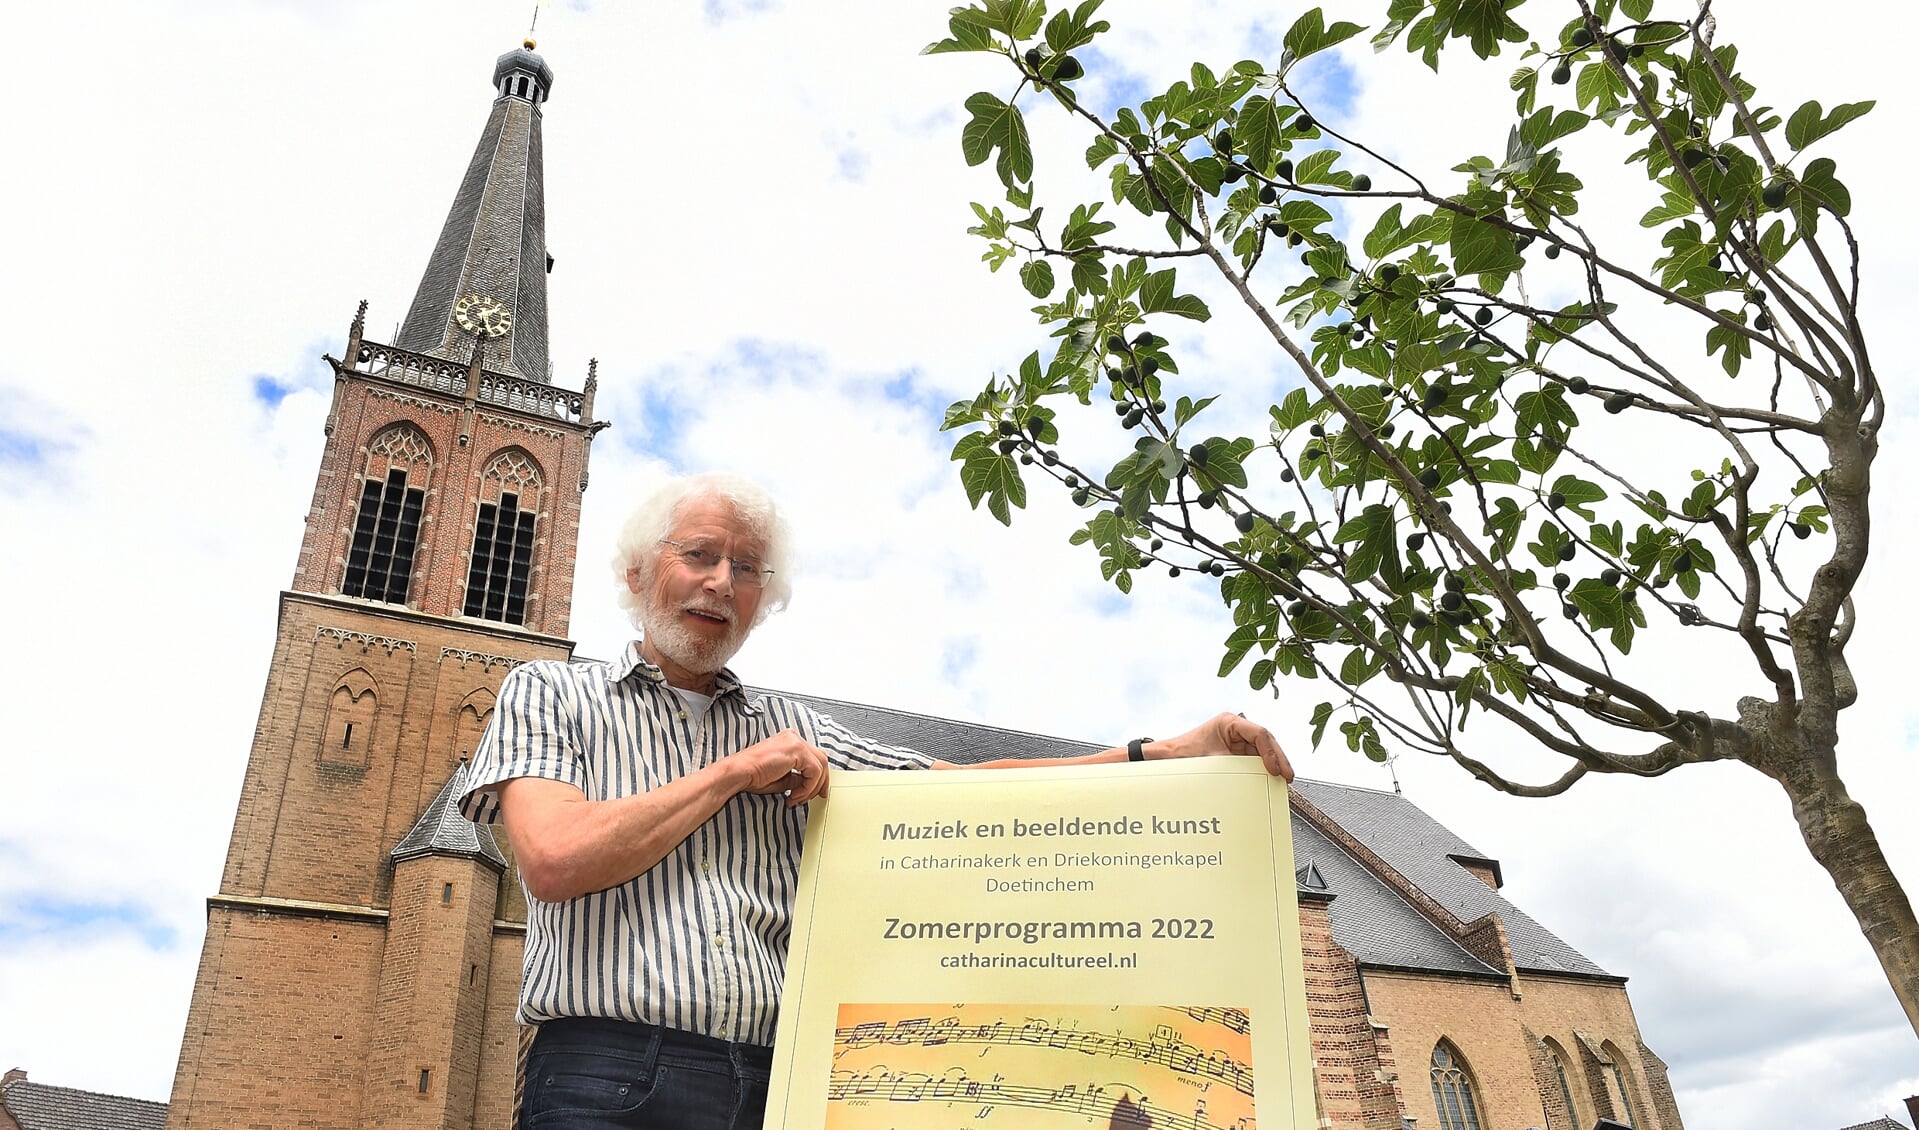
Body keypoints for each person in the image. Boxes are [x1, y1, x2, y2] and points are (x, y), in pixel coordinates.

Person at [460, 472, 1293, 1130]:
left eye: (745, 568)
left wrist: (1165, 752)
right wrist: (730, 774)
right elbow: (556, 858)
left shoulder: (794, 728)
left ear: (762, 598)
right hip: (606, 1073)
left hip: (779, 1079)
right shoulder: (548, 691)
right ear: (638, 572)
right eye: (700, 555)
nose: (721, 582)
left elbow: (960, 795)